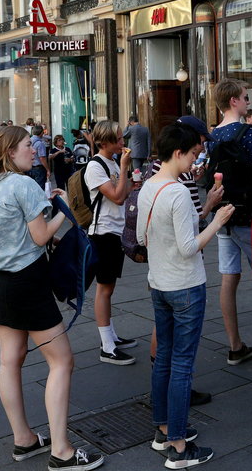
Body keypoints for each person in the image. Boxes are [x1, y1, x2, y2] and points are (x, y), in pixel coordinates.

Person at [0, 126, 104, 471]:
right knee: (62, 361)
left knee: (9, 361)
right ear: (10, 151)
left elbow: (11, 233)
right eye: (27, 145)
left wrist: (43, 207)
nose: (34, 150)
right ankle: (61, 450)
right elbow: (40, 235)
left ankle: (24, 439)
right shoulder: (24, 184)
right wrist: (65, 211)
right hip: (28, 283)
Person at [138, 124, 235, 469]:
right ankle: (178, 445)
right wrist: (218, 220)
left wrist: (205, 208)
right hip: (185, 286)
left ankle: (163, 428)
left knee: (164, 357)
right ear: (178, 153)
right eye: (193, 154)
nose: (196, 160)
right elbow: (189, 246)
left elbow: (144, 234)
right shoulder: (177, 192)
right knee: (182, 364)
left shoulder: (148, 186)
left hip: (159, 283)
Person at [207, 79, 252, 366]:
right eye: (244, 97)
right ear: (233, 102)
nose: (247, 101)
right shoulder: (248, 132)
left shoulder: (213, 135)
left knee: (229, 278)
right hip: (248, 215)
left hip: (224, 215)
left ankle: (234, 344)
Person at [85, 120, 136, 365]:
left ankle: (112, 336)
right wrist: (125, 168)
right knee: (104, 289)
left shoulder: (113, 162)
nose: (122, 143)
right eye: (117, 139)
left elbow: (123, 193)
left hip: (116, 231)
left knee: (109, 288)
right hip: (102, 233)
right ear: (103, 142)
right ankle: (106, 346)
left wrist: (128, 178)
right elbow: (116, 197)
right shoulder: (95, 166)